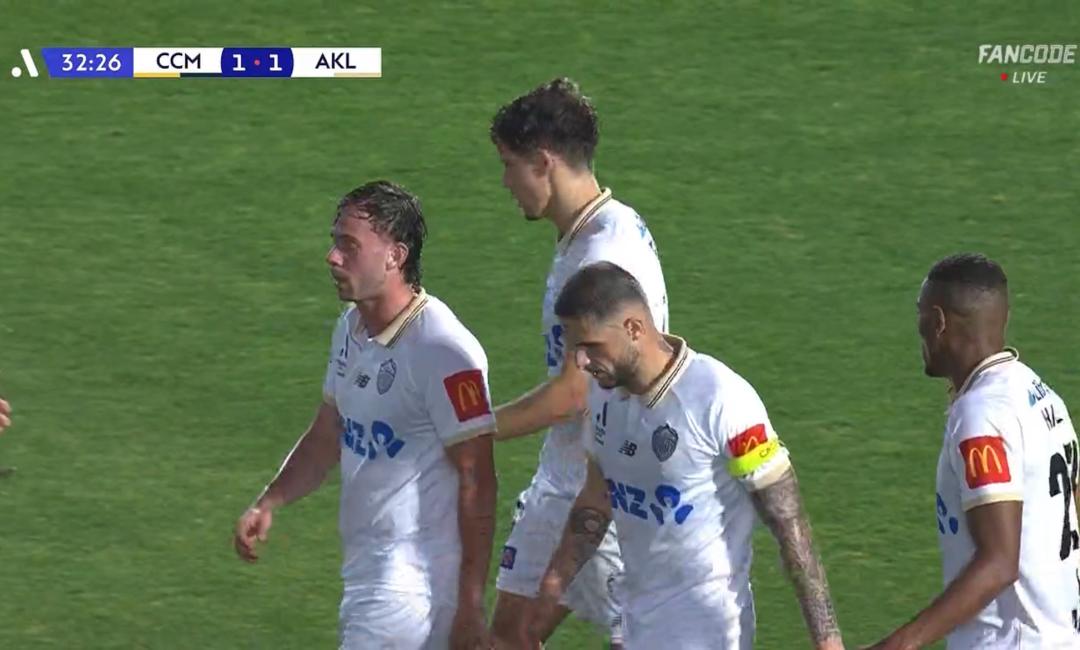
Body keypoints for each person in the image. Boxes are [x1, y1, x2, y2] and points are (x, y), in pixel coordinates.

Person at [232, 180, 498, 650]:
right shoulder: (351, 328)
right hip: (368, 573)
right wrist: (269, 500)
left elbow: (478, 480)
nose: (332, 257)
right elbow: (327, 434)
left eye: (348, 245)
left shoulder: (444, 351)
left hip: (413, 588)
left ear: (395, 255)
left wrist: (471, 603)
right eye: (335, 242)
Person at [530, 262, 844, 649]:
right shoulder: (603, 395)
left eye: (590, 346)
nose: (580, 362)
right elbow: (597, 498)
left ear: (634, 328)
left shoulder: (719, 398)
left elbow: (788, 522)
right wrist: (546, 596)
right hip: (635, 625)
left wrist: (828, 642)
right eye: (574, 348)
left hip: (707, 633)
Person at [487, 77, 669, 648]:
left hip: (603, 488)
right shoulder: (595, 231)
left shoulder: (603, 254)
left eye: (509, 164)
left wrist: (471, 429)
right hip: (568, 474)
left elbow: (574, 392)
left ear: (544, 162)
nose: (505, 181)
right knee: (506, 640)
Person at [867, 253, 1080, 649]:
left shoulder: (982, 413)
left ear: (938, 321)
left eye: (920, 315)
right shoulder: (1041, 395)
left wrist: (898, 645)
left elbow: (999, 562)